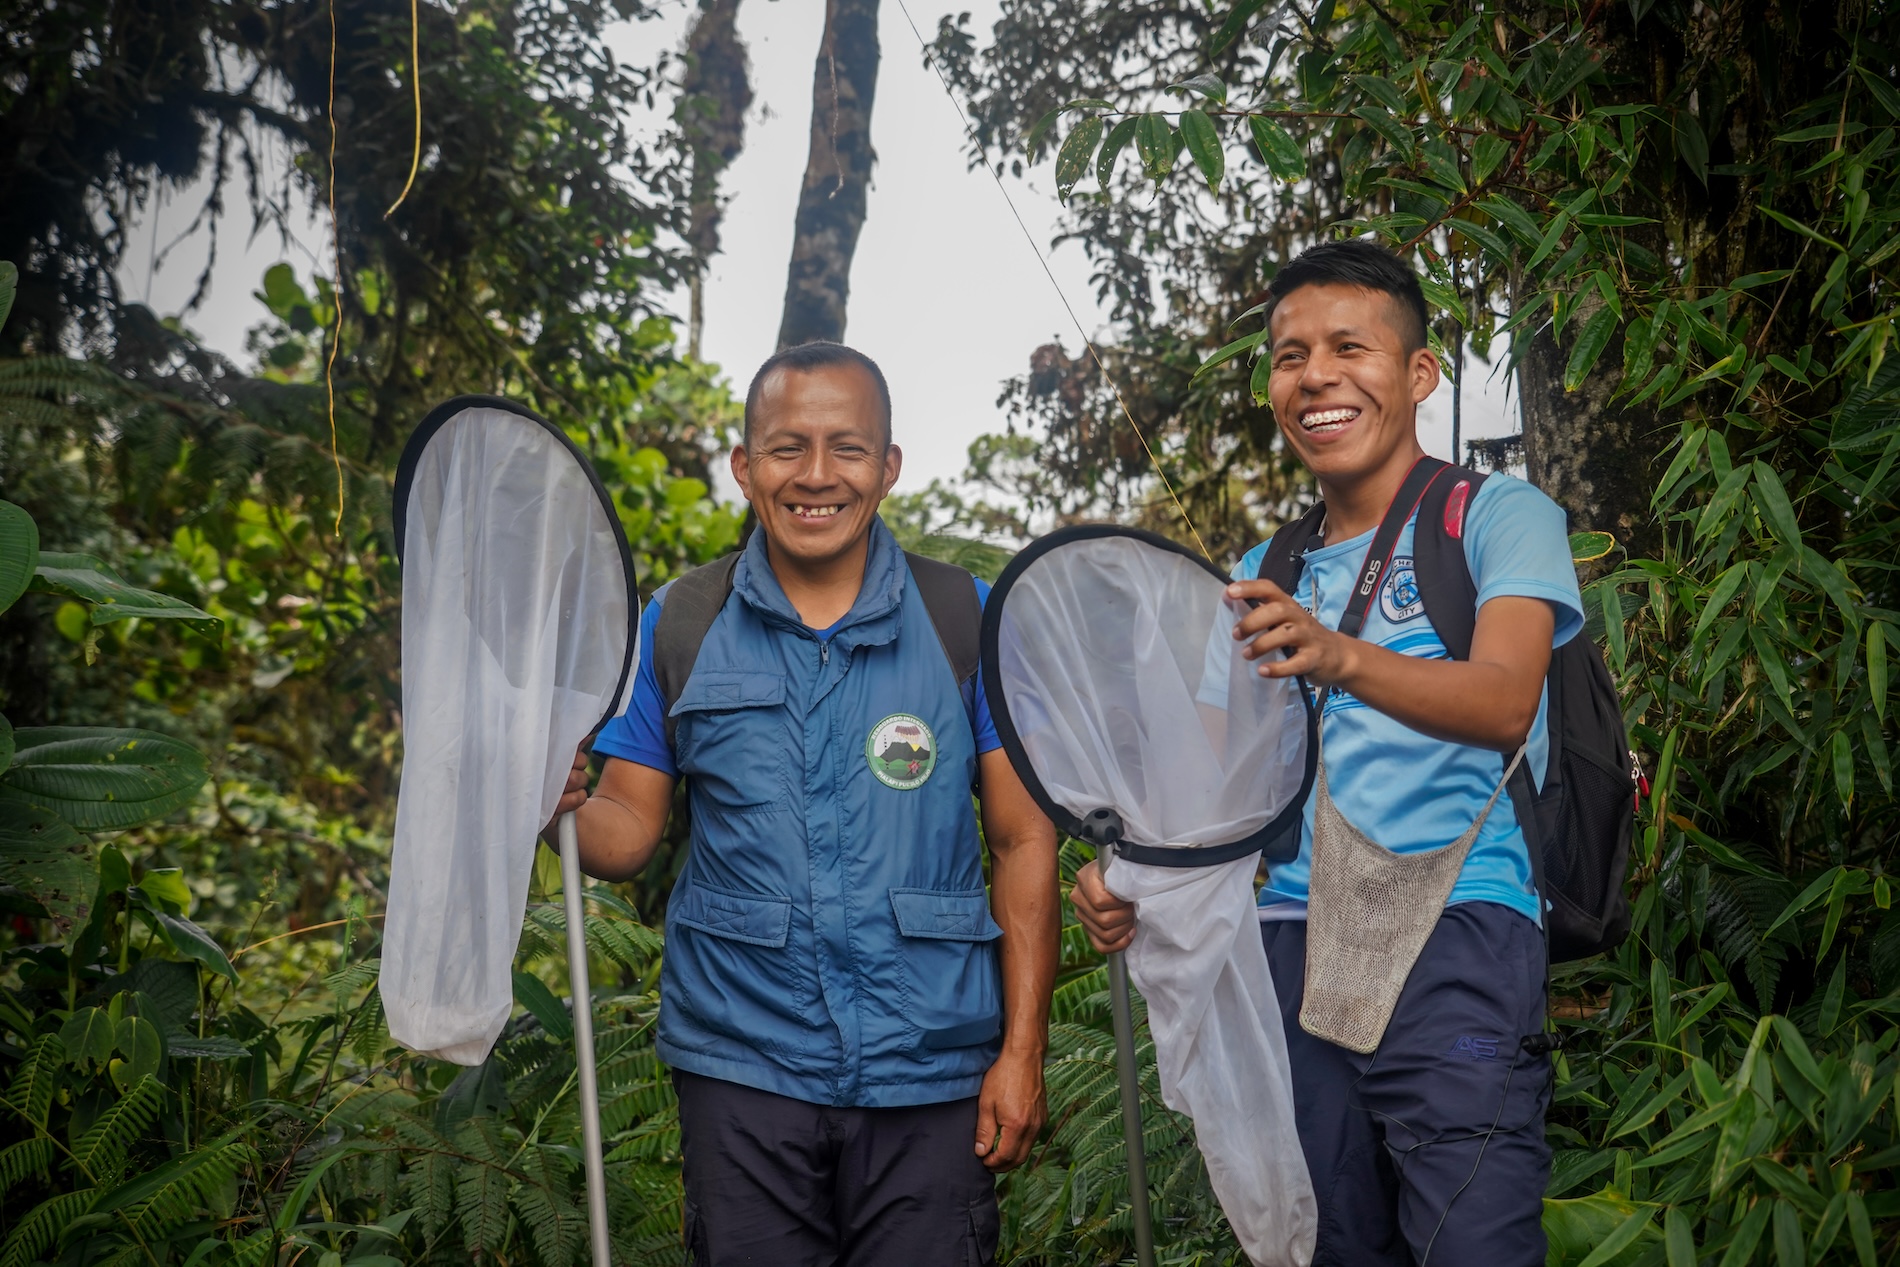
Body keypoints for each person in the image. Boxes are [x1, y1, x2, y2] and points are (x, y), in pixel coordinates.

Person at [1071, 239, 1583, 1266]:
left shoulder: (1493, 516)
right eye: (1288, 354)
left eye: (1350, 346)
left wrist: (1338, 653)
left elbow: (1502, 700)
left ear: (1417, 373)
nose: (1314, 376)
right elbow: (1213, 790)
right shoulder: (1265, 566)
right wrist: (1123, 871)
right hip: (1288, 940)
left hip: (1458, 927)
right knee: (1328, 1243)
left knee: (1471, 1242)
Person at [546, 341, 1059, 1267]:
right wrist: (550, 804)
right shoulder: (682, 622)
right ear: (745, 468)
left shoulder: (966, 617)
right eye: (786, 448)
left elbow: (1024, 837)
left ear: (889, 466)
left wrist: (1022, 1050)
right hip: (744, 1064)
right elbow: (624, 830)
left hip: (932, 1064)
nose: (816, 475)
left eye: (847, 447)